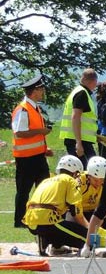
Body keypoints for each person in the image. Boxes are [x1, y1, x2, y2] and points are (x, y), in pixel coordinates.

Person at [11, 73, 52, 229]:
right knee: (24, 191)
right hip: (26, 159)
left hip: (38, 156)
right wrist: (41, 131)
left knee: (44, 188)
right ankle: (20, 221)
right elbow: (19, 132)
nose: (43, 92)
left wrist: (44, 149)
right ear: (34, 91)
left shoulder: (34, 107)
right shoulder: (23, 109)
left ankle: (42, 218)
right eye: (41, 89)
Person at [24, 155, 88, 254]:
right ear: (75, 172)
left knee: (61, 213)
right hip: (48, 221)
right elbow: (76, 211)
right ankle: (48, 238)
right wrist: (90, 230)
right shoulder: (70, 180)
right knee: (88, 240)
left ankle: (52, 242)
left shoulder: (46, 180)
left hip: (30, 221)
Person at [59, 67, 99, 164]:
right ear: (93, 81)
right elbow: (75, 117)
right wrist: (79, 143)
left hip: (79, 139)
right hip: (79, 141)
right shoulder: (82, 93)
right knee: (88, 169)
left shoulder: (78, 91)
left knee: (87, 167)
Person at [76, 156, 106, 232]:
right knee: (82, 233)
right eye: (95, 180)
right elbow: (75, 209)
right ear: (89, 176)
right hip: (76, 212)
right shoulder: (80, 181)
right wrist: (89, 227)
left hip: (95, 212)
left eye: (102, 179)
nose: (98, 183)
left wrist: (101, 217)